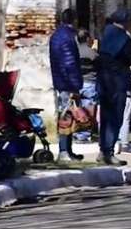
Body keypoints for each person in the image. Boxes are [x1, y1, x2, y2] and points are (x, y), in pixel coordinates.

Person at [96, 9, 131, 166]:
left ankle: (102, 150)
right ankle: (108, 152)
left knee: (105, 117)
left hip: (103, 81)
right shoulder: (124, 38)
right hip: (117, 82)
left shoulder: (105, 34)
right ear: (126, 22)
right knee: (115, 118)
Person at [49, 9, 84, 162]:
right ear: (74, 20)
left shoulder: (56, 35)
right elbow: (70, 62)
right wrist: (76, 85)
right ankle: (64, 151)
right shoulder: (69, 37)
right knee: (66, 116)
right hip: (67, 82)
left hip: (60, 80)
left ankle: (68, 150)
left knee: (67, 115)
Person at [74, 29, 98, 143]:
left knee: (78, 109)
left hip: (77, 83)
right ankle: (84, 134)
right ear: (88, 38)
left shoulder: (74, 52)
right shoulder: (92, 53)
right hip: (90, 83)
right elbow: (100, 66)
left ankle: (78, 132)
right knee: (89, 109)